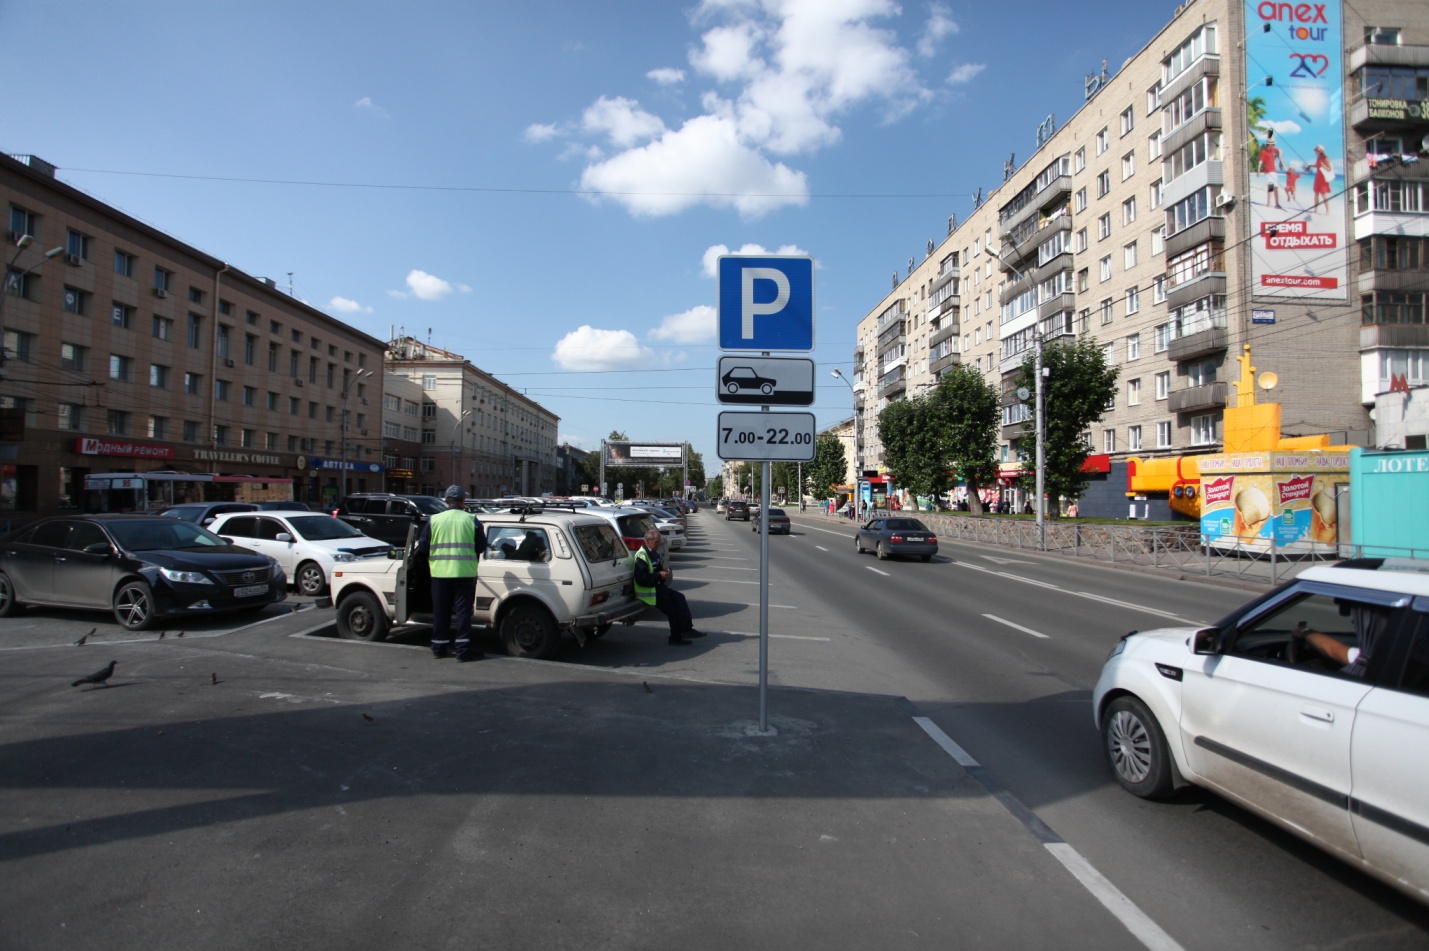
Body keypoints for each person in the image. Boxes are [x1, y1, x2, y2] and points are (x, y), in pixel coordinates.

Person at [413, 485, 487, 661]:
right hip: (464, 573)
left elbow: (422, 547)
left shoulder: (434, 520)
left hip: (439, 573)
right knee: (462, 612)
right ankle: (462, 650)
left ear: (446, 501)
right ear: (462, 501)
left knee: (441, 611)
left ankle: (439, 647)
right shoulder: (472, 520)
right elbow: (481, 546)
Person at [633, 529, 703, 645]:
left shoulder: (652, 552)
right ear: (647, 541)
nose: (658, 544)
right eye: (656, 542)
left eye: (659, 542)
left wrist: (664, 574)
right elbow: (642, 579)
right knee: (672, 610)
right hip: (650, 592)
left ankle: (687, 629)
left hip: (658, 587)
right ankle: (675, 638)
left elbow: (658, 570)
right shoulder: (641, 555)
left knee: (680, 598)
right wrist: (659, 575)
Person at [1258, 131, 1282, 209]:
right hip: (1268, 171)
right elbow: (1260, 161)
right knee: (1271, 186)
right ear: (1269, 144)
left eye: (1274, 144)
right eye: (1273, 144)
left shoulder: (1273, 150)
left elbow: (1280, 150)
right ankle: (1268, 203)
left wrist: (1280, 157)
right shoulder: (1264, 152)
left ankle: (1277, 203)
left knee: (1276, 187)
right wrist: (1258, 170)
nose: (1274, 145)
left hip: (1274, 171)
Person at [1311, 145, 1333, 215]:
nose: (1315, 151)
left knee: (1324, 195)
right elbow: (1317, 166)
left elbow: (1329, 169)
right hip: (1317, 178)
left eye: (1316, 150)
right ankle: (1315, 209)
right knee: (1316, 194)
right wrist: (1310, 166)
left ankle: (1327, 211)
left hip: (1323, 179)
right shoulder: (1318, 158)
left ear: (1320, 151)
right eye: (1315, 150)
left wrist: (1323, 166)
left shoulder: (1325, 158)